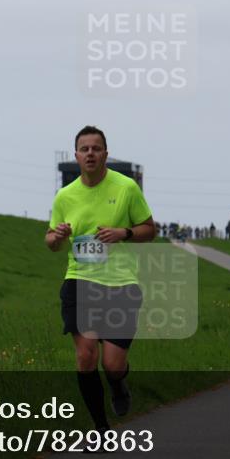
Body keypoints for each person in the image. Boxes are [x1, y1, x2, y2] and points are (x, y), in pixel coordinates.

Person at [46, 126, 156, 437]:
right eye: (84, 149)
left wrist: (124, 233)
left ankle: (119, 384)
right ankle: (99, 429)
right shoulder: (65, 196)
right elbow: (51, 240)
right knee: (85, 356)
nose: (90, 153)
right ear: (77, 156)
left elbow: (150, 230)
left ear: (105, 154)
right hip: (80, 281)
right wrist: (56, 236)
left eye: (96, 148)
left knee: (112, 364)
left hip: (120, 284)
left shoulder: (126, 188)